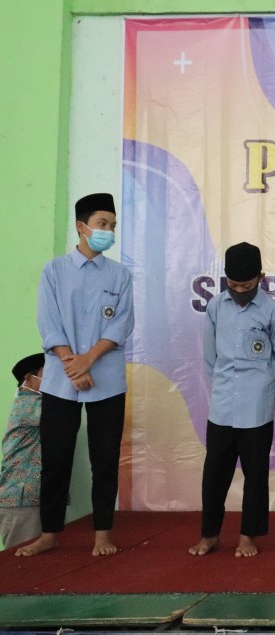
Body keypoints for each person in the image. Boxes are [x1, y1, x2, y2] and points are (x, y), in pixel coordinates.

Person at [18, 193, 134, 557]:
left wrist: (88, 360)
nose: (108, 231)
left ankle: (103, 533)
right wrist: (72, 364)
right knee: (55, 458)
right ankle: (49, 533)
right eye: (102, 224)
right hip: (61, 380)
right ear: (81, 227)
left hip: (106, 378)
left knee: (105, 458)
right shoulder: (54, 271)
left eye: (112, 226)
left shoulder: (120, 274)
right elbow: (48, 322)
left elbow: (121, 324)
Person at [189, 243, 275, 558]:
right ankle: (209, 535)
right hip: (222, 406)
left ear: (260, 278)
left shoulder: (273, 311)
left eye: (246, 286)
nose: (239, 292)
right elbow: (210, 358)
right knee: (214, 475)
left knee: (255, 475)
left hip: (257, 409)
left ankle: (248, 536)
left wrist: (261, 388)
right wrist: (225, 385)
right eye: (233, 285)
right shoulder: (216, 307)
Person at [0, 354, 46, 549]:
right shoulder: (30, 404)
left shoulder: (29, 403)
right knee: (22, 562)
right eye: (47, 374)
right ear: (29, 379)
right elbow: (62, 414)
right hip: (23, 498)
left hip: (29, 497)